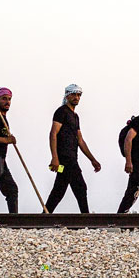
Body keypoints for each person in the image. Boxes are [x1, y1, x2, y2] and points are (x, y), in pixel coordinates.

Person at [45, 84, 101, 213]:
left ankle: (45, 216)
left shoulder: (75, 117)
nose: (76, 97)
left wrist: (92, 159)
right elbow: (53, 133)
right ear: (67, 95)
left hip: (71, 156)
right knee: (80, 186)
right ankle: (85, 217)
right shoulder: (62, 111)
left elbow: (80, 140)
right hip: (65, 158)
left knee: (59, 189)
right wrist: (55, 158)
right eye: (74, 94)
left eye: (78, 95)